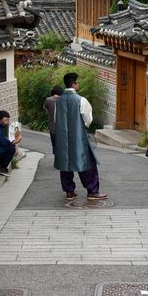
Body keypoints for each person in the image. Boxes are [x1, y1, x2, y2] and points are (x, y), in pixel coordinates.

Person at [54, 72, 108, 200]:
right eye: (77, 82)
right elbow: (87, 120)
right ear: (74, 84)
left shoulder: (58, 101)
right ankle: (92, 191)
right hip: (79, 136)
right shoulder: (81, 100)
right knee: (87, 163)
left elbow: (56, 120)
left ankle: (69, 191)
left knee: (65, 164)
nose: (78, 84)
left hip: (63, 138)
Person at [43, 85, 64, 152]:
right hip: (63, 127)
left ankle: (56, 159)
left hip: (53, 127)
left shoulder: (48, 100)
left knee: (54, 145)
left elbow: (46, 110)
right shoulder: (64, 100)